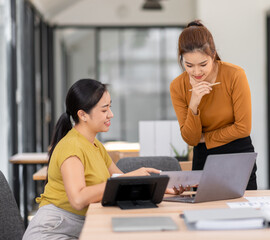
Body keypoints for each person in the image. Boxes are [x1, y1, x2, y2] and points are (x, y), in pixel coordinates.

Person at [23, 79, 182, 240]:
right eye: (104, 109)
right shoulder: (71, 147)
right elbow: (78, 199)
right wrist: (129, 177)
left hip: (81, 227)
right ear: (82, 115)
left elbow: (124, 188)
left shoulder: (95, 145)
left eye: (110, 107)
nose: (111, 114)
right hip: (53, 231)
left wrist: (166, 192)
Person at [170, 20, 257, 190]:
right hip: (204, 157)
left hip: (238, 153)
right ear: (182, 60)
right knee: (204, 211)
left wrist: (206, 139)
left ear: (213, 54)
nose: (196, 72)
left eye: (203, 64)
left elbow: (243, 128)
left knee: (244, 211)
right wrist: (194, 103)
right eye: (189, 65)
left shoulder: (235, 75)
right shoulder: (177, 86)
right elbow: (191, 139)